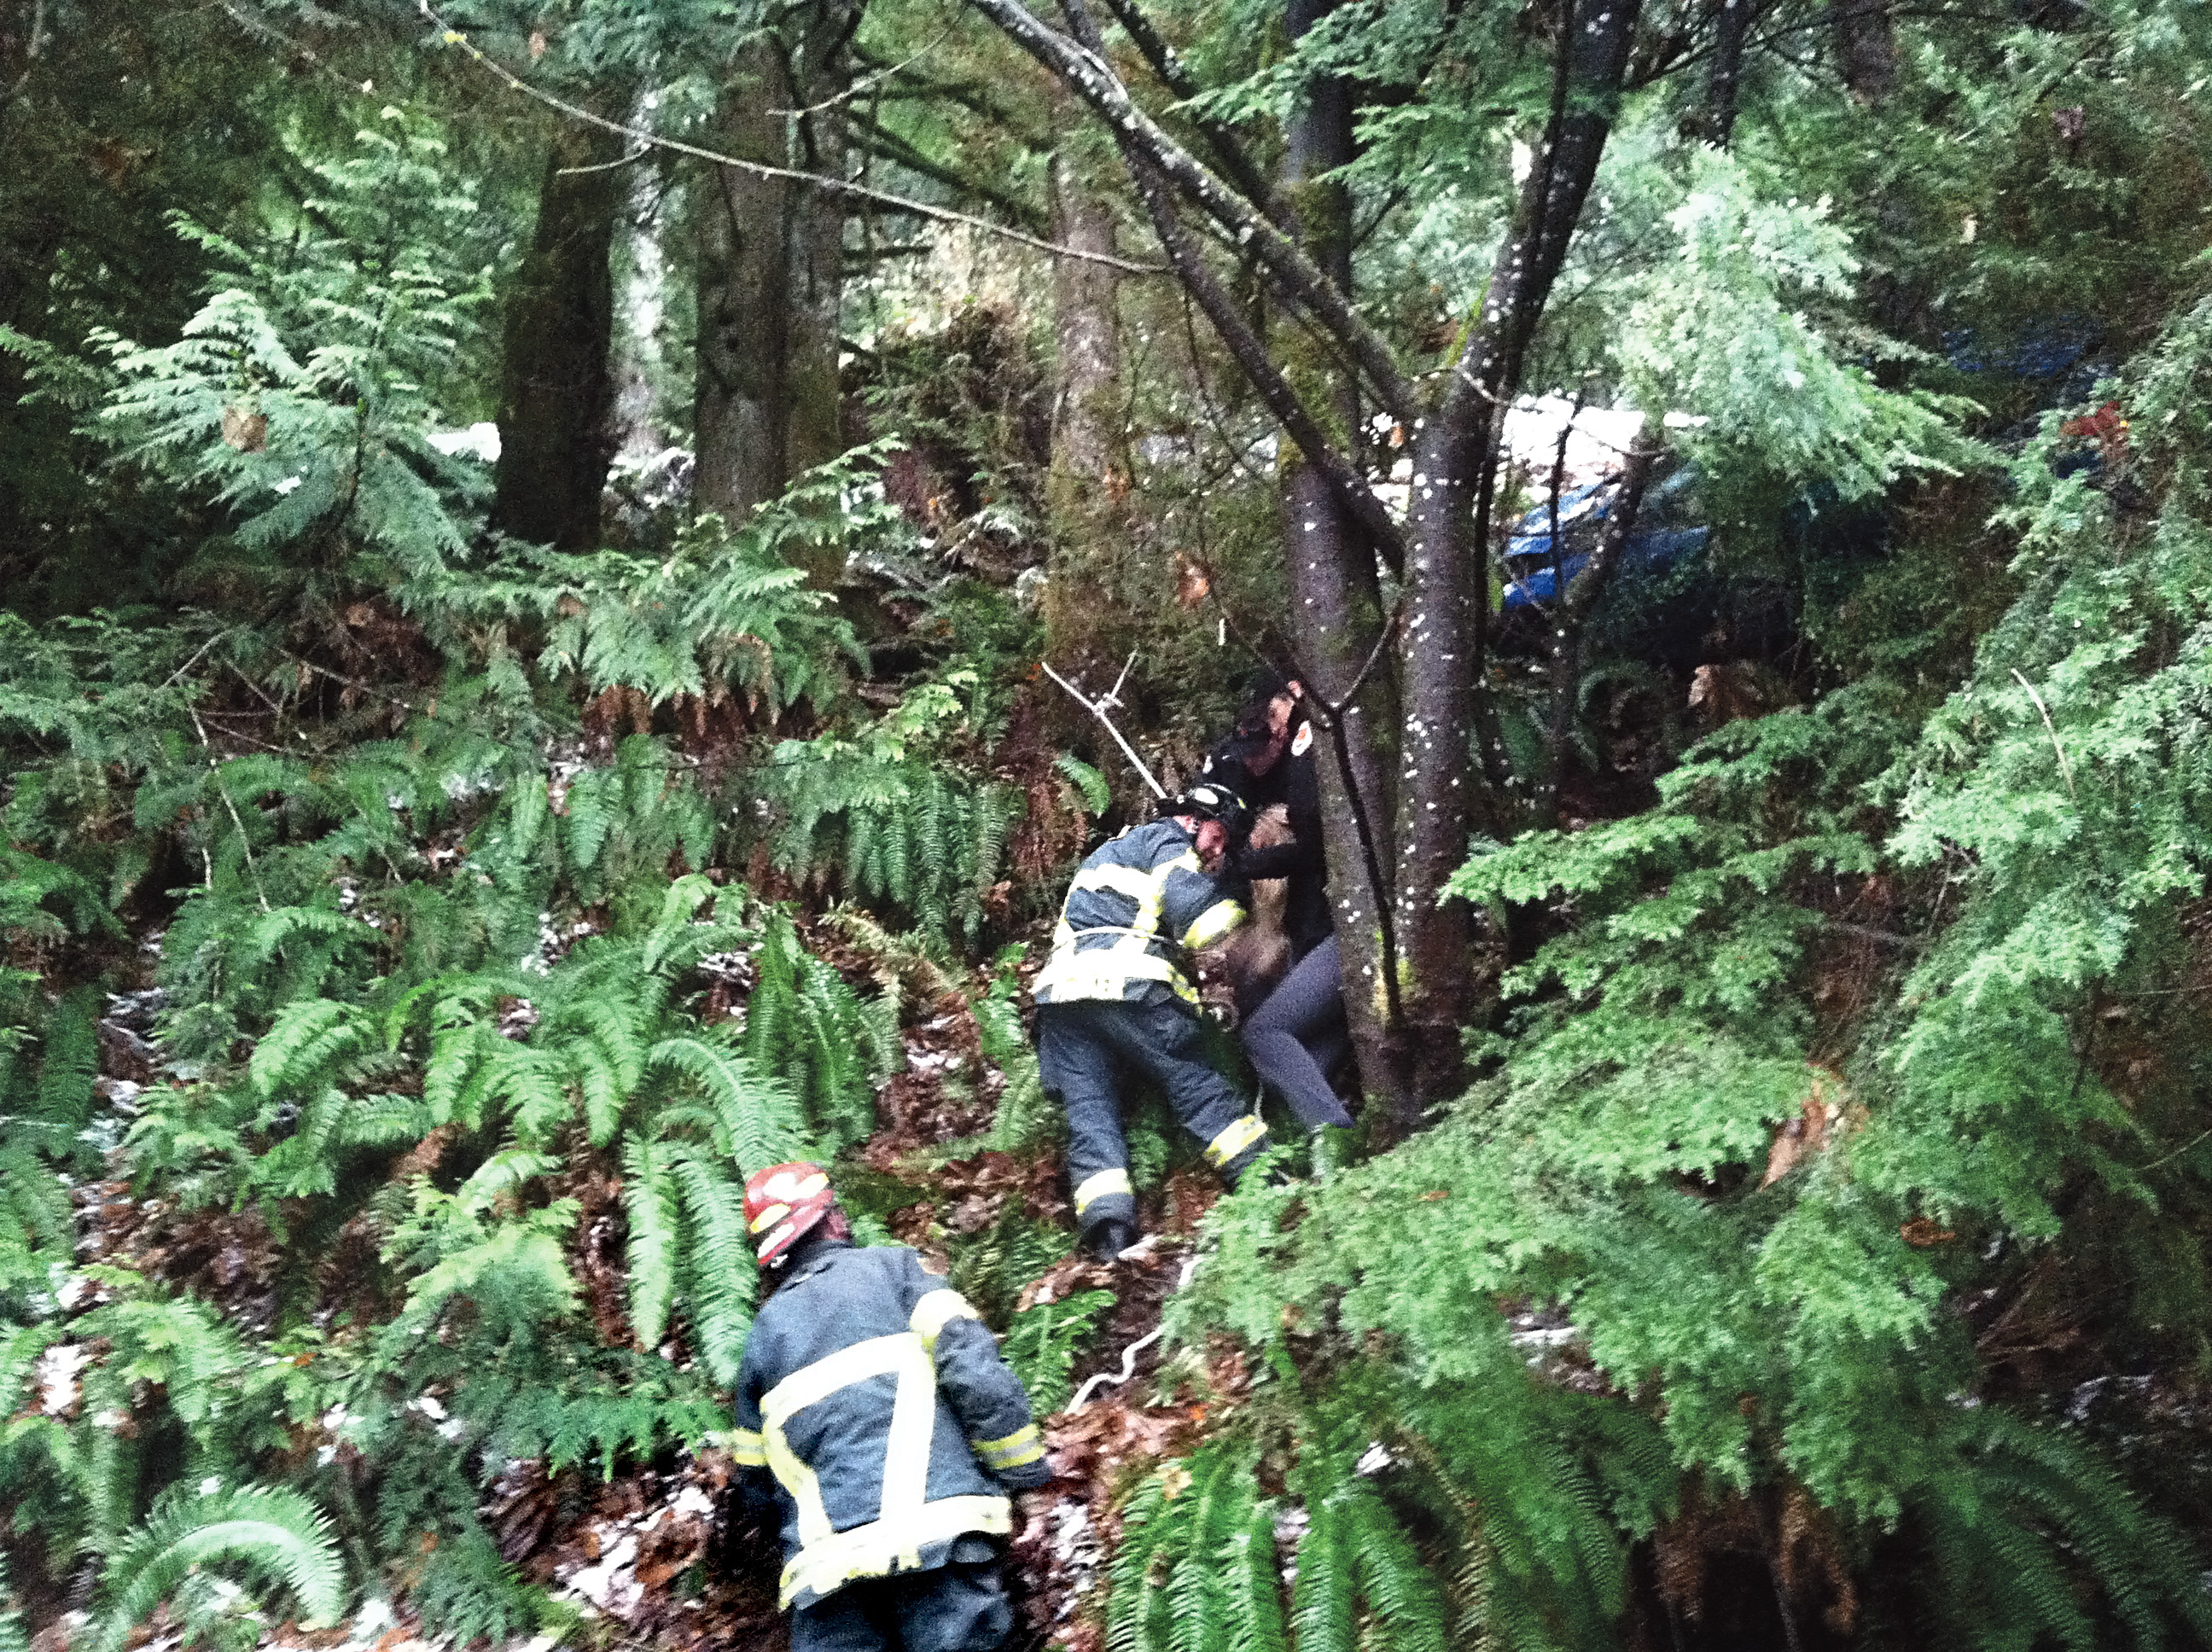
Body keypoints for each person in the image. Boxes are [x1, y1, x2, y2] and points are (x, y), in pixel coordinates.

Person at [731, 1162, 1053, 1652]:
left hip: (827, 1582)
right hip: (937, 1542)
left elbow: (754, 1483)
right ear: (833, 1221)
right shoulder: (896, 1272)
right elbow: (972, 1370)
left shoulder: (760, 1342)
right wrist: (1025, 1473)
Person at [1032, 782, 1266, 1260]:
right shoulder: (1165, 843)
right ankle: (1264, 1177)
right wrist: (1250, 933)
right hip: (1127, 986)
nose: (1218, 852)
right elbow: (1200, 915)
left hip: (1062, 998)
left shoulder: (1108, 852)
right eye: (1218, 837)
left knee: (1090, 1111)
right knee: (1194, 1083)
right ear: (1193, 821)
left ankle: (1108, 1235)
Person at [1202, 674, 1355, 1131]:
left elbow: (1308, 849)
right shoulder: (1277, 919)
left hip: (1346, 938)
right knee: (1300, 1058)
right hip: (1332, 944)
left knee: (1264, 1035)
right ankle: (1327, 1141)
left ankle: (1335, 1133)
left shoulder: (1310, 756)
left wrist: (1248, 864)